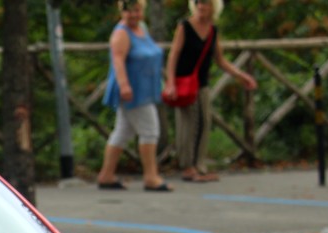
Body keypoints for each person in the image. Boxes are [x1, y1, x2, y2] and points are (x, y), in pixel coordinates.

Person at [165, 0, 256, 182]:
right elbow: (173, 54)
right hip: (184, 83)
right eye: (198, 3)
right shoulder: (184, 26)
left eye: (205, 3)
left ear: (213, 7)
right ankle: (187, 166)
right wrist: (170, 82)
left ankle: (199, 165)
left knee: (205, 122)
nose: (201, 6)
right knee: (188, 124)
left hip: (202, 84)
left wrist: (241, 76)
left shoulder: (213, 31)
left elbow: (220, 60)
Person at [95, 0, 170, 192]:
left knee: (122, 131)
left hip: (145, 88)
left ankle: (106, 174)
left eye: (136, 11)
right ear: (122, 12)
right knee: (150, 130)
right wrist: (124, 85)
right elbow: (117, 60)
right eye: (128, 11)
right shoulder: (121, 33)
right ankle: (151, 176)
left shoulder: (142, 28)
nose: (133, 15)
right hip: (133, 91)